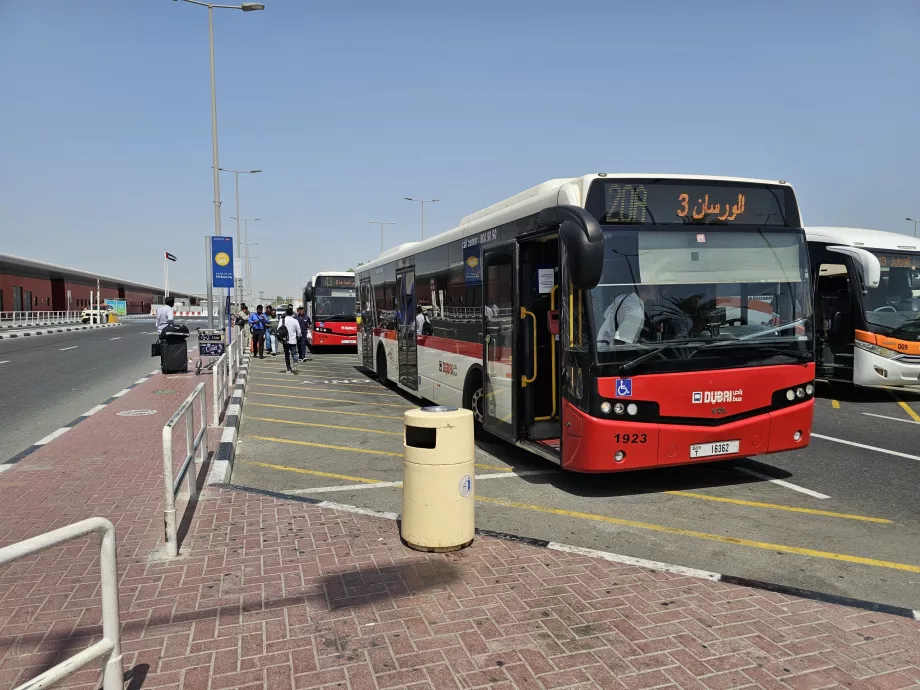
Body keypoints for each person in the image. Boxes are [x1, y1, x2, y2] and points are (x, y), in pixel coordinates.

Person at [280, 306, 302, 374]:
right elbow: (299, 332)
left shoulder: (282, 320)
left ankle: (288, 369)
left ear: (286, 312)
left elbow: (279, 329)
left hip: (285, 341)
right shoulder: (295, 321)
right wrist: (298, 337)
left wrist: (281, 339)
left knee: (287, 355)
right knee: (294, 353)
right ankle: (295, 362)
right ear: (292, 313)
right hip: (293, 340)